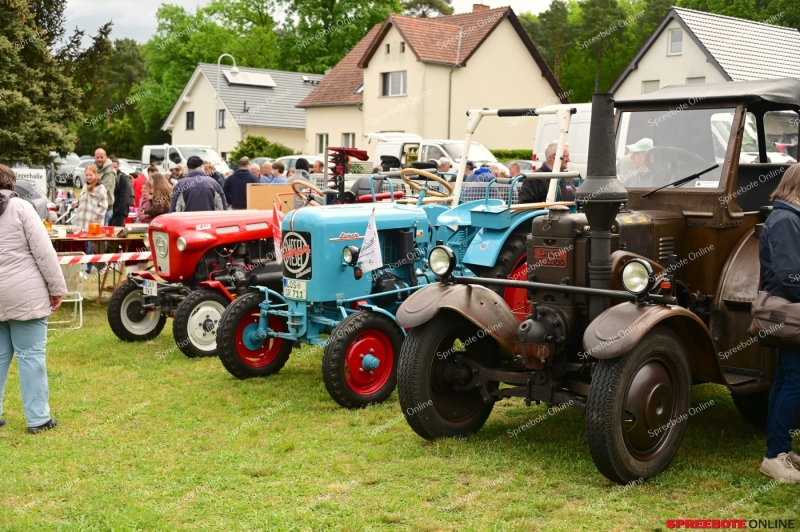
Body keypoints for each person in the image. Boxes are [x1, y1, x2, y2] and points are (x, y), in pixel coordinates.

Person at [0, 164, 66, 434]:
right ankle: (38, 418)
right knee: (31, 357)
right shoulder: (22, 209)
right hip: (24, 293)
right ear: (11, 184)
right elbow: (45, 254)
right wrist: (57, 288)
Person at [757, 163, 800, 483]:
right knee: (794, 381)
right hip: (792, 311)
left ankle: (779, 449)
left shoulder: (787, 217)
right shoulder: (786, 220)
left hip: (790, 312)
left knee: (787, 378)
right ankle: (775, 456)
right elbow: (789, 277)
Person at [74, 166, 108, 231]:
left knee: (92, 241)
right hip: (81, 224)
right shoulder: (85, 186)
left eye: (90, 175)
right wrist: (77, 203)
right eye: (86, 175)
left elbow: (104, 206)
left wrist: (95, 219)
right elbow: (84, 201)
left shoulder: (101, 187)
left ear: (95, 174)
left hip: (93, 224)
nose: (88, 177)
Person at [94, 148, 116, 225]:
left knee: (101, 234)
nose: (99, 159)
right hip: (94, 206)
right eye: (97, 157)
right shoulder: (94, 168)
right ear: (94, 158)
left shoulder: (109, 171)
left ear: (106, 157)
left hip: (105, 208)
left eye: (101, 157)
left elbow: (102, 191)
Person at [109, 158, 133, 227]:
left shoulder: (122, 177)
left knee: (116, 233)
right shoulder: (108, 177)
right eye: (111, 167)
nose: (113, 169)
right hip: (110, 211)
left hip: (119, 213)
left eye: (115, 167)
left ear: (118, 167)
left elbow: (125, 196)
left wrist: (117, 210)